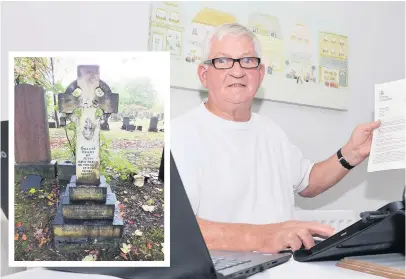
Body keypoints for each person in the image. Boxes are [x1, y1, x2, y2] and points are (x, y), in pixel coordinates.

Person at [171, 23, 380, 254]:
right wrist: (265, 236)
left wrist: (351, 154)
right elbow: (175, 227)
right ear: (204, 74)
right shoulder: (179, 135)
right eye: (222, 61)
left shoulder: (271, 131)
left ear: (260, 74)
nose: (237, 71)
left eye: (248, 61)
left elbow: (308, 182)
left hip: (286, 268)